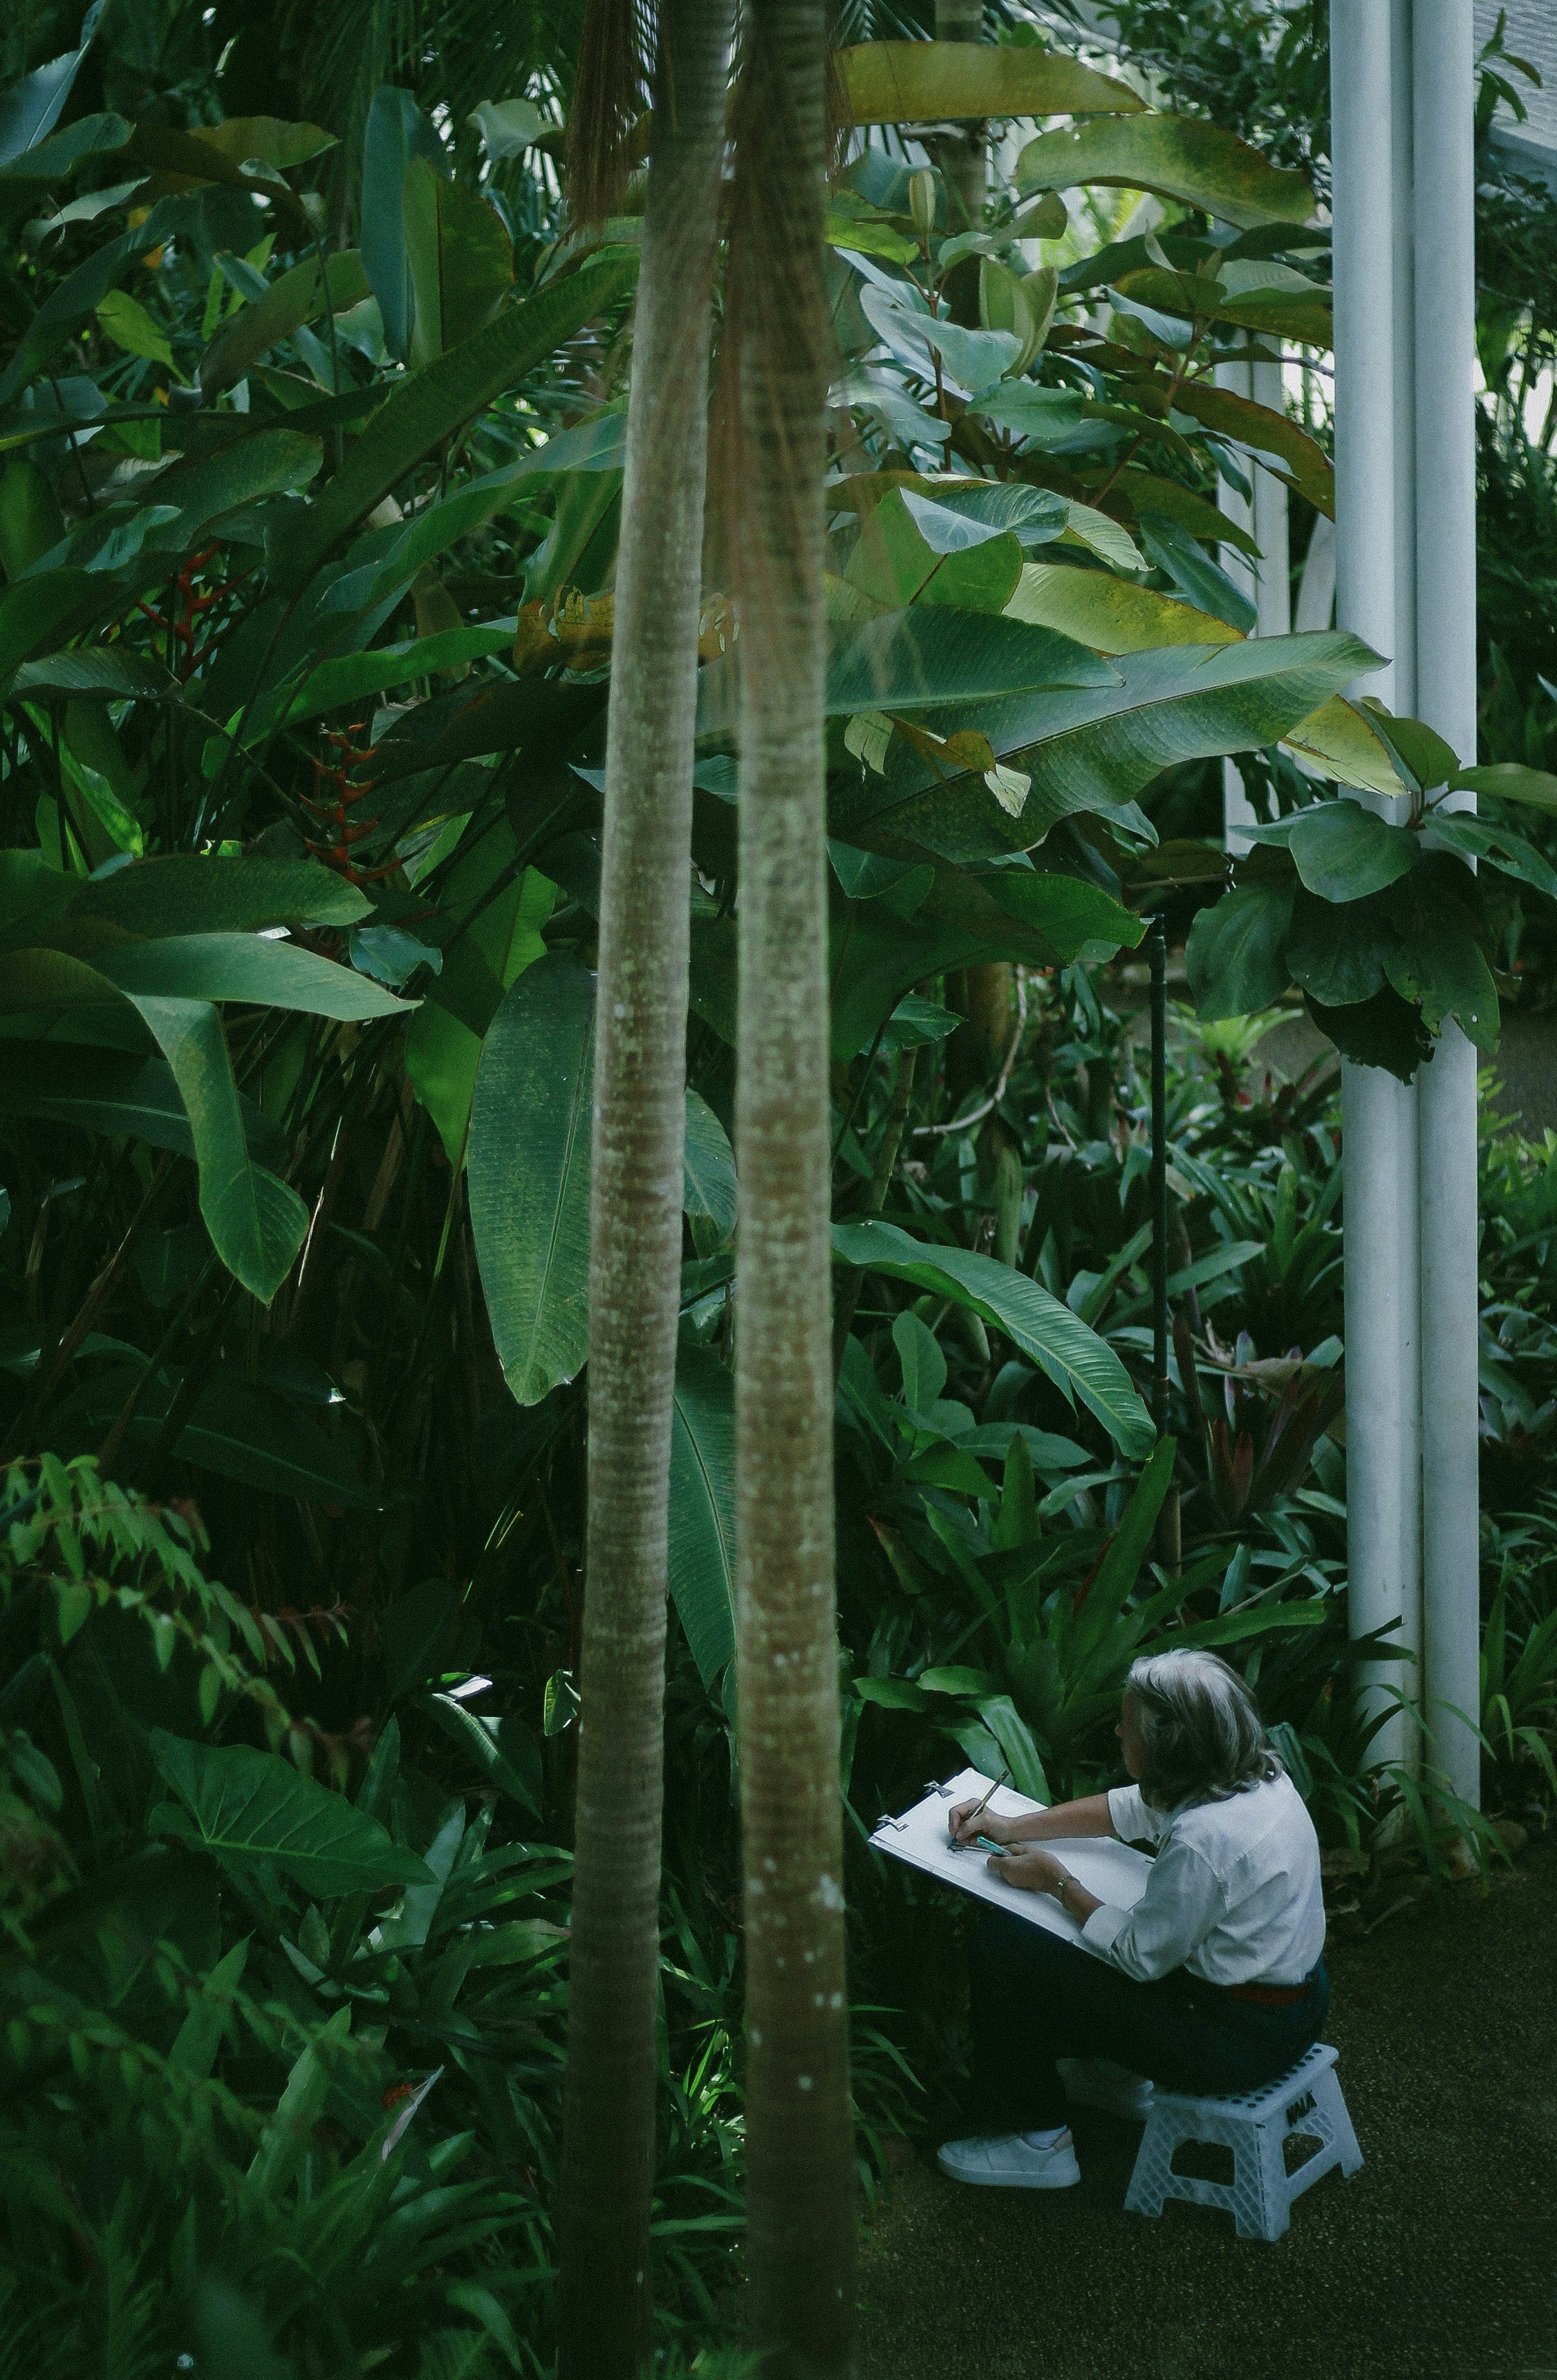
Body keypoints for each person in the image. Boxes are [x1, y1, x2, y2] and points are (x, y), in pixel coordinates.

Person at [937, 1646, 1328, 2191]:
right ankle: (1115, 2076)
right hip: (1295, 2007)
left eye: (1129, 1725)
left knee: (1008, 1944)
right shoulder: (1256, 1775)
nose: (1119, 1730)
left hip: (1231, 2041)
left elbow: (1139, 1958)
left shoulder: (1205, 1839)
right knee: (1098, 1921)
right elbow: (1131, 1809)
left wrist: (1056, 1882)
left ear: (1168, 1747)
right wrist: (1011, 1825)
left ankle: (1035, 2139)